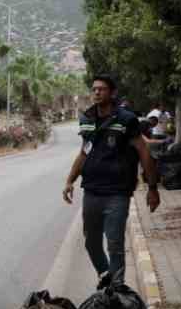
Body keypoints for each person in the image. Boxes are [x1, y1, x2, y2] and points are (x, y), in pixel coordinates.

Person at [61, 75, 159, 289]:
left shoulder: (126, 120)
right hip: (92, 191)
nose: (97, 92)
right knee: (91, 242)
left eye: (102, 89)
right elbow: (84, 152)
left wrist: (152, 188)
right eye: (94, 89)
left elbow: (143, 151)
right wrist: (70, 180)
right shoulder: (87, 119)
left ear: (112, 93)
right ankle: (105, 274)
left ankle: (117, 291)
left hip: (117, 192)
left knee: (114, 243)